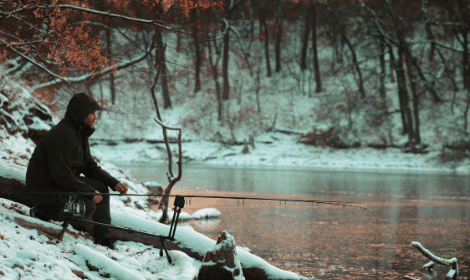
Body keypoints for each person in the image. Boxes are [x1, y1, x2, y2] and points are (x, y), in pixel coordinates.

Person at [25, 92, 128, 249]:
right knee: (87, 206)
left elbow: (89, 166)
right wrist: (89, 192)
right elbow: (61, 175)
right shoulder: (62, 135)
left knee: (102, 188)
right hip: (44, 189)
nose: (95, 117)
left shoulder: (80, 133)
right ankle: (42, 211)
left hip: (59, 184)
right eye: (92, 113)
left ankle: (103, 237)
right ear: (81, 113)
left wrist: (114, 183)